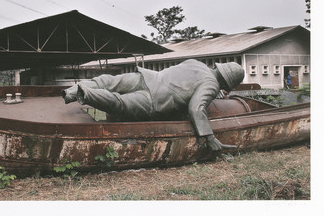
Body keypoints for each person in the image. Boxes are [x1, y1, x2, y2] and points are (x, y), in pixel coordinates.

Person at [62, 60, 245, 151]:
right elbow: (196, 108)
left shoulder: (195, 63)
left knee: (110, 81)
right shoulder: (211, 85)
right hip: (157, 99)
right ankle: (84, 94)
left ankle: (73, 90)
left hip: (148, 77)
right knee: (121, 104)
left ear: (219, 68)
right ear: (226, 83)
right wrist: (209, 137)